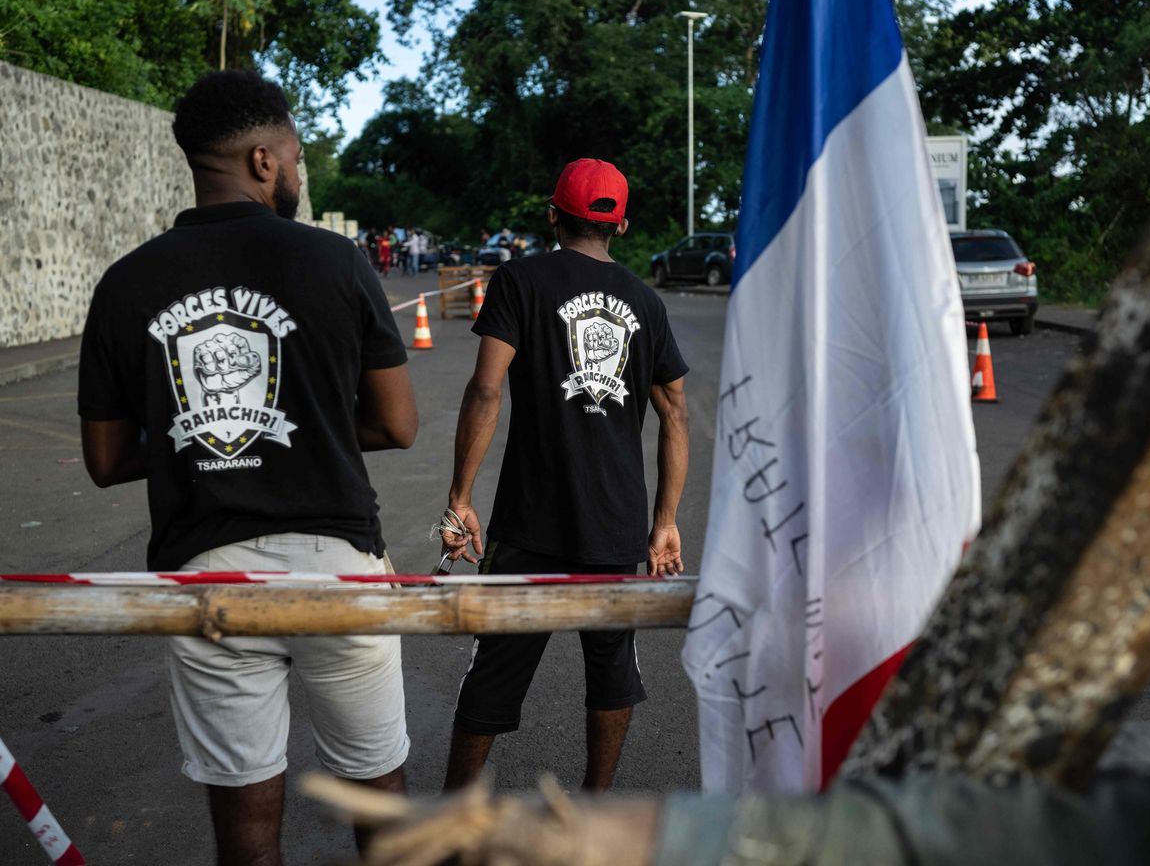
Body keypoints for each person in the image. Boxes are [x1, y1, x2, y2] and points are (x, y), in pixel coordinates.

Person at [77, 69, 418, 865]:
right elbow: (397, 424)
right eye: (296, 156)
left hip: (209, 575)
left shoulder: (126, 282)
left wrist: (205, 431)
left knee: (247, 838)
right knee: (382, 812)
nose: (299, 173)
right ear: (265, 159)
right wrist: (300, 430)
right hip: (340, 570)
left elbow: (103, 459)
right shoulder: (336, 262)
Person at [439, 158, 690, 793]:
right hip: (616, 524)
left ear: (553, 214)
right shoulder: (646, 301)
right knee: (611, 667)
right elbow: (675, 412)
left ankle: (453, 813)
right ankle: (595, 806)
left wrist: (460, 498)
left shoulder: (519, 281)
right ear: (622, 225)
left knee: (496, 666)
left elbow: (486, 390)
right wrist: (664, 523)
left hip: (530, 520)